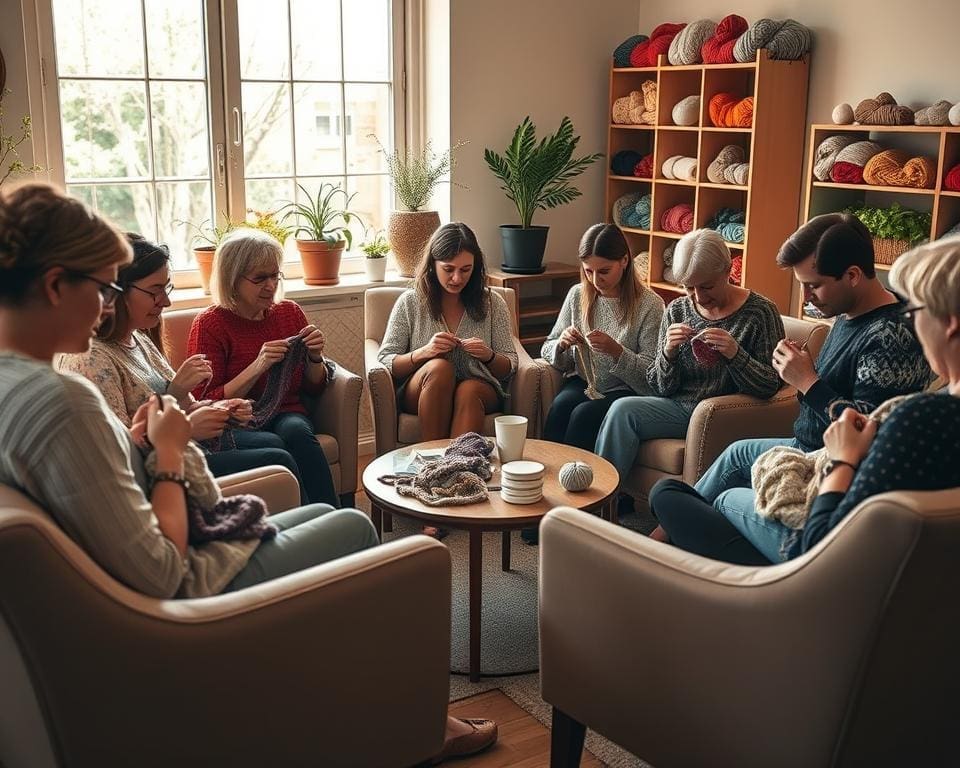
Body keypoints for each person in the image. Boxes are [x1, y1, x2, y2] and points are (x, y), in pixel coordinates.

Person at [0, 184, 497, 764]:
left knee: (318, 511)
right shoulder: (64, 400)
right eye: (105, 287)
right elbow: (161, 571)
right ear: (56, 285)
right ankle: (418, 725)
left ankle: (347, 697)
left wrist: (139, 442)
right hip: (184, 606)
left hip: (150, 581)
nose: (110, 305)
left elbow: (102, 492)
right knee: (362, 536)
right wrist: (166, 450)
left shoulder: (19, 386)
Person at [648, 235, 960, 564]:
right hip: (813, 452)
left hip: (821, 539)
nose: (806, 297)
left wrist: (809, 385)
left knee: (709, 499)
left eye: (915, 309)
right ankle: (662, 543)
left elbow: (824, 541)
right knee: (728, 460)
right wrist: (806, 374)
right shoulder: (848, 314)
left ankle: (696, 565)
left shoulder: (914, 395)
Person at [57, 233, 308, 499]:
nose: (165, 302)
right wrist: (186, 427)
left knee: (277, 446)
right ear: (113, 292)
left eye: (166, 289)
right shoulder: (90, 360)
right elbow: (117, 454)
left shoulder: (138, 338)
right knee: (277, 458)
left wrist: (222, 408)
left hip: (184, 450)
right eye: (155, 291)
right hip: (161, 470)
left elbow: (185, 405)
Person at [594, 228, 784, 501]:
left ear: (727, 270)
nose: (698, 297)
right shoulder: (678, 310)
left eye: (706, 286)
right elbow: (659, 386)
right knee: (622, 409)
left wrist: (735, 354)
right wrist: (668, 353)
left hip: (723, 414)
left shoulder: (759, 312)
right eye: (688, 287)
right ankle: (603, 503)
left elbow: (770, 385)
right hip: (679, 408)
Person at [186, 229, 338, 507]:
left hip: (286, 411)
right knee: (273, 444)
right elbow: (203, 401)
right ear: (232, 279)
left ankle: (333, 515)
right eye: (259, 278)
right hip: (236, 421)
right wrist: (258, 365)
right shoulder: (210, 324)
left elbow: (313, 387)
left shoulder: (289, 312)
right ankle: (303, 519)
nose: (270, 286)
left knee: (298, 433)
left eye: (275, 275)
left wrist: (315, 357)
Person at [378, 222, 518, 439]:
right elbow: (386, 360)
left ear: (476, 266)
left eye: (465, 270)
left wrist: (488, 356)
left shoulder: (492, 303)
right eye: (448, 269)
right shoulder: (410, 302)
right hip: (423, 388)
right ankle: (436, 460)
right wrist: (424, 352)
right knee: (439, 368)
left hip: (479, 390)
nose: (457, 278)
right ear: (433, 264)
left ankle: (455, 466)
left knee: (469, 389)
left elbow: (510, 365)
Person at [541, 223, 664, 450]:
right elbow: (548, 346)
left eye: (604, 271)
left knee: (583, 415)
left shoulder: (650, 305)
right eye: (588, 271)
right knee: (560, 407)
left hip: (625, 390)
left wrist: (616, 351)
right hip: (585, 382)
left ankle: (581, 481)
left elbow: (652, 375)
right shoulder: (577, 294)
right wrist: (562, 345)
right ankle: (547, 480)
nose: (595, 280)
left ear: (625, 261)